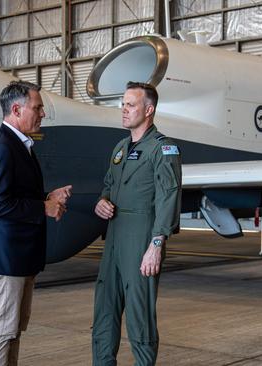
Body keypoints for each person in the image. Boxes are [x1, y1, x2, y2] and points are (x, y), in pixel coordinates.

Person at [0, 80, 72, 366]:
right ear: (17, 109)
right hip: (6, 258)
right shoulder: (1, 148)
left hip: (18, 258)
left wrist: (47, 196)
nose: (42, 113)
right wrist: (43, 206)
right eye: (38, 107)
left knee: (13, 331)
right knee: (1, 333)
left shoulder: (19, 146)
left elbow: (14, 196)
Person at [92, 81, 182, 365]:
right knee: (104, 311)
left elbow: (169, 196)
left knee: (139, 315)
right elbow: (109, 184)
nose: (124, 110)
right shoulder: (120, 148)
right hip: (115, 236)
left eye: (131, 105)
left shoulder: (163, 149)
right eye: (123, 104)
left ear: (149, 110)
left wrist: (157, 243)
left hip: (142, 238)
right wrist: (101, 201)